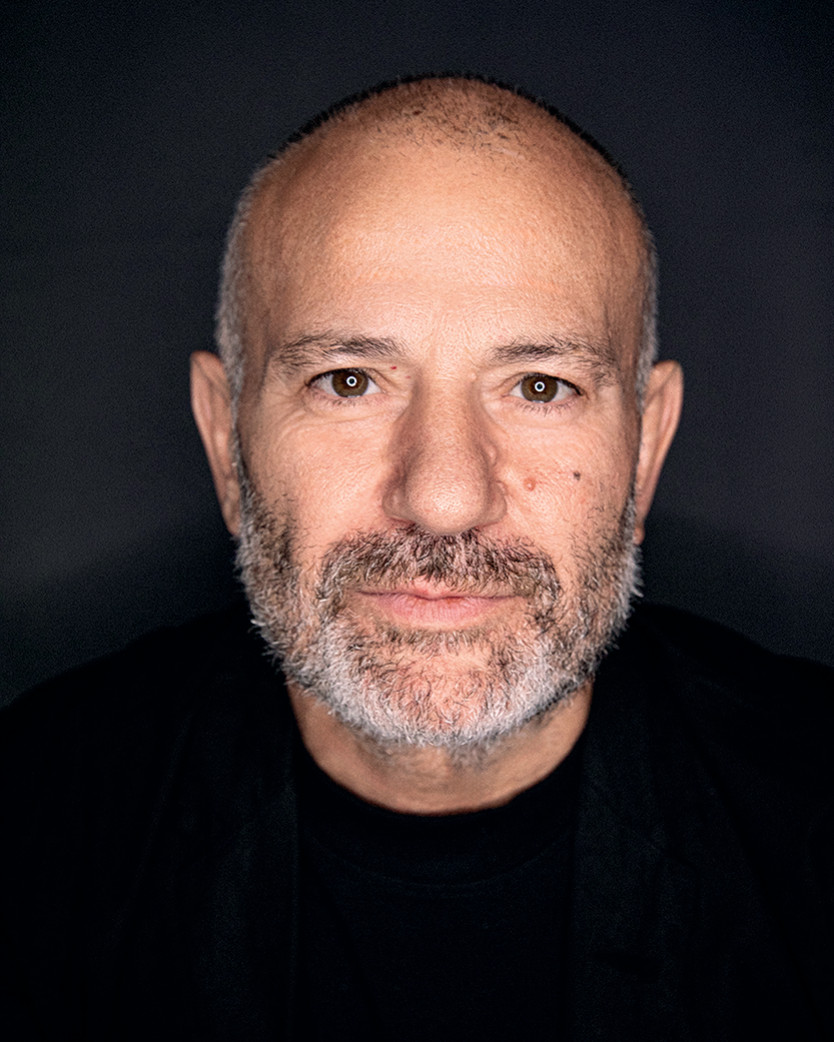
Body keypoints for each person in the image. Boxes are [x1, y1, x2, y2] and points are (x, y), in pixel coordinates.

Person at [1, 75, 831, 1041]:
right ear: (226, 442)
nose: (443, 496)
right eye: (349, 381)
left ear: (644, 454)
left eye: (540, 385)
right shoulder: (30, 833)